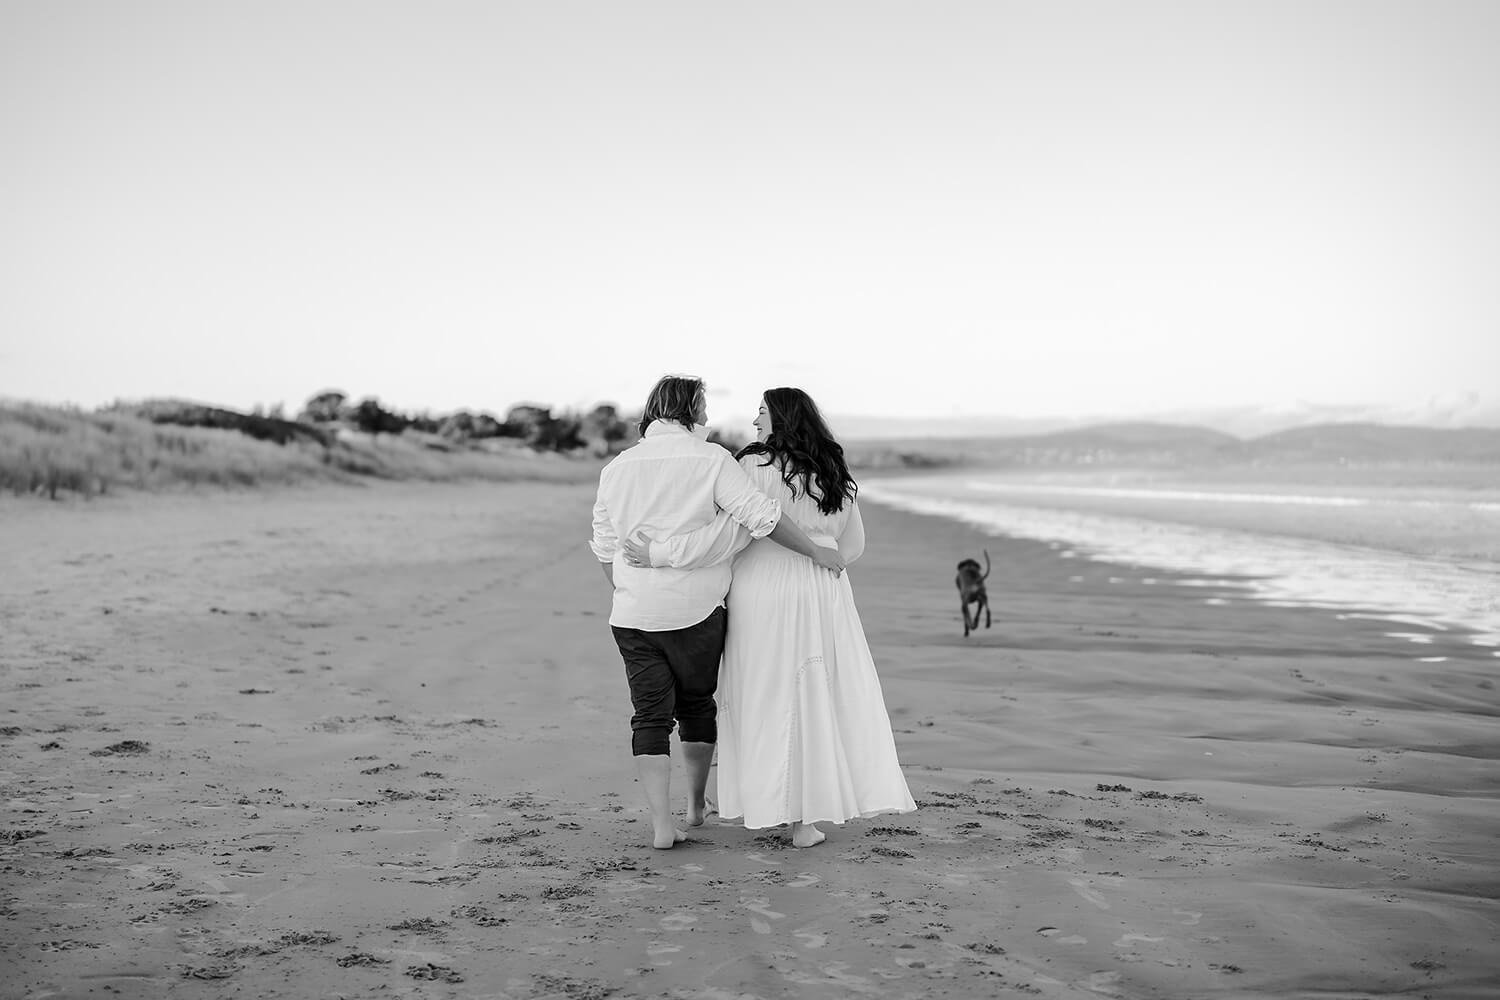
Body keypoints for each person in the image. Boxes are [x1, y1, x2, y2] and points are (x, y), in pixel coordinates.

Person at [623, 387, 915, 847]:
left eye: (762, 412)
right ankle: (806, 823)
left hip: (760, 588)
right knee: (815, 695)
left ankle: (768, 804)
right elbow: (852, 547)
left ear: (781, 418)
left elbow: (729, 533)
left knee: (765, 696)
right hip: (822, 588)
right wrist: (821, 554)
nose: (755, 419)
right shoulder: (835, 472)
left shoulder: (749, 465)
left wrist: (662, 553)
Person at [590, 375, 845, 850]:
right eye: (704, 404)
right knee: (695, 705)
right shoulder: (713, 460)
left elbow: (605, 546)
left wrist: (632, 589)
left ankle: (664, 826)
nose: (709, 413)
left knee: (649, 717)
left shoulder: (617, 467)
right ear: (692, 409)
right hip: (697, 610)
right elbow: (762, 518)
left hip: (632, 613)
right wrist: (814, 550)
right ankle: (694, 805)